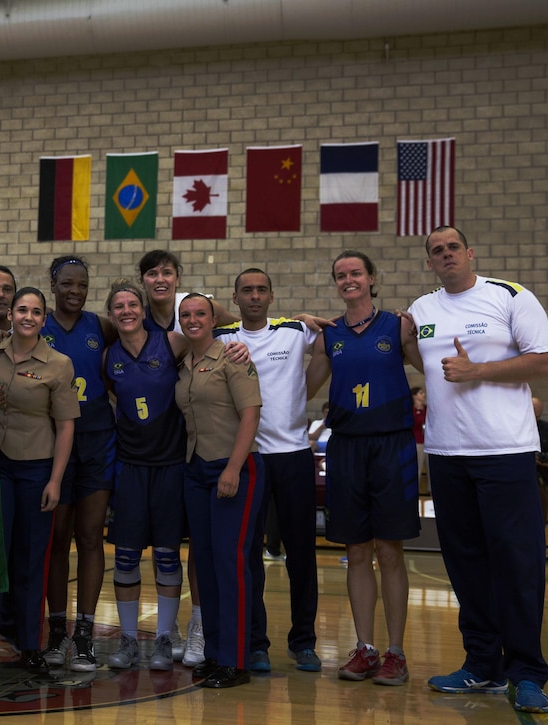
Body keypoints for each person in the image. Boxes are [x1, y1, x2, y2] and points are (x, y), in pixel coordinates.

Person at [404, 225, 548, 713]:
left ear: (469, 253)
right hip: (448, 455)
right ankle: (482, 665)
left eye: (452, 247)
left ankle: (527, 672)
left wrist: (479, 372)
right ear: (429, 262)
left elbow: (546, 362)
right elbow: (423, 360)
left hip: (506, 453)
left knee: (518, 565)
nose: (445, 255)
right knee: (465, 566)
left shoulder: (511, 296)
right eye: (436, 251)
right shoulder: (423, 309)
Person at [306, 250, 419, 687]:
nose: (348, 280)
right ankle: (366, 648)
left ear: (372, 277)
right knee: (355, 551)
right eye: (340, 275)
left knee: (389, 550)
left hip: (392, 446)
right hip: (346, 446)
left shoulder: (400, 324)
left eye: (355, 273)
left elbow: (432, 367)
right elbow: (301, 387)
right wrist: (293, 332)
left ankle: (396, 651)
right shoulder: (328, 335)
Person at [0, 287, 78, 678]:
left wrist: (55, 481)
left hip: (36, 470)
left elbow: (65, 428)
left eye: (36, 312)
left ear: (44, 320)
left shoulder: (59, 364)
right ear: (10, 314)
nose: (28, 317)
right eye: (22, 310)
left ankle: (31, 646)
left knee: (31, 562)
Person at [216, 268, 321, 674]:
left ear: (272, 296)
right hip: (249, 458)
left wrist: (303, 391)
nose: (255, 296)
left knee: (301, 554)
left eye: (262, 290)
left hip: (294, 455)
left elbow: (330, 345)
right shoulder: (223, 338)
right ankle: (256, 642)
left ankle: (304, 641)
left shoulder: (295, 330)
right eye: (247, 290)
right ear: (236, 297)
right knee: (249, 557)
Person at [175, 293, 263, 689]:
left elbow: (251, 413)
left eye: (200, 314)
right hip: (196, 471)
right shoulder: (184, 364)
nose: (193, 320)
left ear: (214, 319)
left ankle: (235, 659)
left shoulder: (234, 357)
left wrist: (232, 468)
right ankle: (214, 653)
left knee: (230, 564)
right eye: (186, 315)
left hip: (234, 468)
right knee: (206, 565)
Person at [102, 281, 189, 671]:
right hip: (130, 467)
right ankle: (128, 639)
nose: (126, 311)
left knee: (168, 555)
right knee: (125, 556)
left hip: (171, 465)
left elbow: (210, 339)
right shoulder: (108, 358)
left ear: (142, 308)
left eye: (132, 304)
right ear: (111, 314)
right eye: (118, 306)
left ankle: (166, 636)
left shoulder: (172, 342)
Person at [40, 255, 117, 673]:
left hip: (98, 439)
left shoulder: (100, 327)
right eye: (67, 283)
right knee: (58, 537)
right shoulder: (38, 325)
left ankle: (84, 633)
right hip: (54, 442)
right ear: (52, 284)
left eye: (82, 285)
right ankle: (56, 631)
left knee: (90, 536)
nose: (75, 290)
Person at [411, 387, 429, 494]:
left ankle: (432, 492)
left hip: (429, 443)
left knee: (432, 470)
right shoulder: (411, 410)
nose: (423, 395)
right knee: (417, 468)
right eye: (421, 393)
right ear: (415, 396)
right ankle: (415, 493)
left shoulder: (427, 409)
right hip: (418, 442)